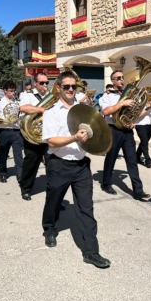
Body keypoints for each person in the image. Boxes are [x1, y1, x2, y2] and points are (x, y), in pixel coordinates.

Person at [41, 71, 110, 268]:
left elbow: (95, 132)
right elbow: (52, 141)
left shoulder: (83, 110)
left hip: (81, 165)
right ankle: (49, 228)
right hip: (58, 164)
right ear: (59, 88)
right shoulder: (51, 112)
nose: (71, 90)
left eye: (73, 87)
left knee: (86, 208)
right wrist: (74, 138)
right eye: (66, 87)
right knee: (53, 201)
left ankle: (91, 252)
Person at [99, 70, 150, 200]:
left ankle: (138, 190)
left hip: (127, 131)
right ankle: (106, 183)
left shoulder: (131, 95)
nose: (122, 79)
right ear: (113, 81)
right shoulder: (107, 96)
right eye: (119, 78)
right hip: (113, 129)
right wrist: (122, 103)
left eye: (123, 77)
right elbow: (106, 111)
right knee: (111, 158)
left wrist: (133, 121)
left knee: (132, 160)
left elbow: (135, 112)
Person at [18, 73, 51, 200]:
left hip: (48, 134)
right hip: (32, 135)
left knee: (52, 164)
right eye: (42, 83)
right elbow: (23, 108)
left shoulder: (51, 96)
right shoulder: (27, 95)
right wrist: (42, 110)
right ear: (35, 83)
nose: (45, 85)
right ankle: (26, 188)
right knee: (31, 161)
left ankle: (53, 194)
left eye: (46, 83)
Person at [0, 81, 23, 183]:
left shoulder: (18, 103)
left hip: (16, 131)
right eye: (10, 91)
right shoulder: (0, 103)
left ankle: (20, 175)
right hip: (4, 131)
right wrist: (1, 119)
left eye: (14, 91)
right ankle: (3, 173)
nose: (13, 93)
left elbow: (21, 115)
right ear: (5, 91)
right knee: (4, 153)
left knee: (18, 154)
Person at [135, 101, 151, 168]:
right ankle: (148, 160)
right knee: (144, 142)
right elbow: (138, 115)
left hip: (149, 125)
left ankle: (137, 156)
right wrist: (148, 108)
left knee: (144, 142)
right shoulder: (138, 103)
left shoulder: (149, 103)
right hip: (140, 125)